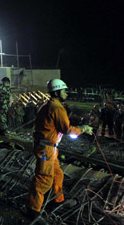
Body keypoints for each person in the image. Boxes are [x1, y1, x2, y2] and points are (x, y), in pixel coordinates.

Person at [26, 79, 93, 222]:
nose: (66, 94)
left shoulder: (46, 106)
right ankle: (33, 210)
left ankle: (57, 200)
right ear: (57, 92)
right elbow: (67, 129)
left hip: (48, 147)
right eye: (64, 91)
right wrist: (84, 129)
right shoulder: (57, 108)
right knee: (44, 179)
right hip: (46, 149)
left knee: (57, 174)